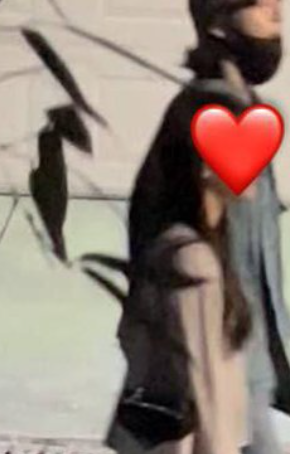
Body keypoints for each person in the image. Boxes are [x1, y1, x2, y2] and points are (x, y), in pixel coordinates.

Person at [121, 0, 290, 454]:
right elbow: (191, 231)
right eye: (259, 0)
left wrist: (281, 328)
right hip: (213, 346)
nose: (276, 9)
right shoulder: (205, 111)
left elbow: (258, 242)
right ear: (218, 21)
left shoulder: (247, 108)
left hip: (246, 347)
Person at [106, 120, 254, 454]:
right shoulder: (192, 260)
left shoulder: (187, 245)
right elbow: (202, 373)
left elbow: (131, 336)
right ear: (206, 168)